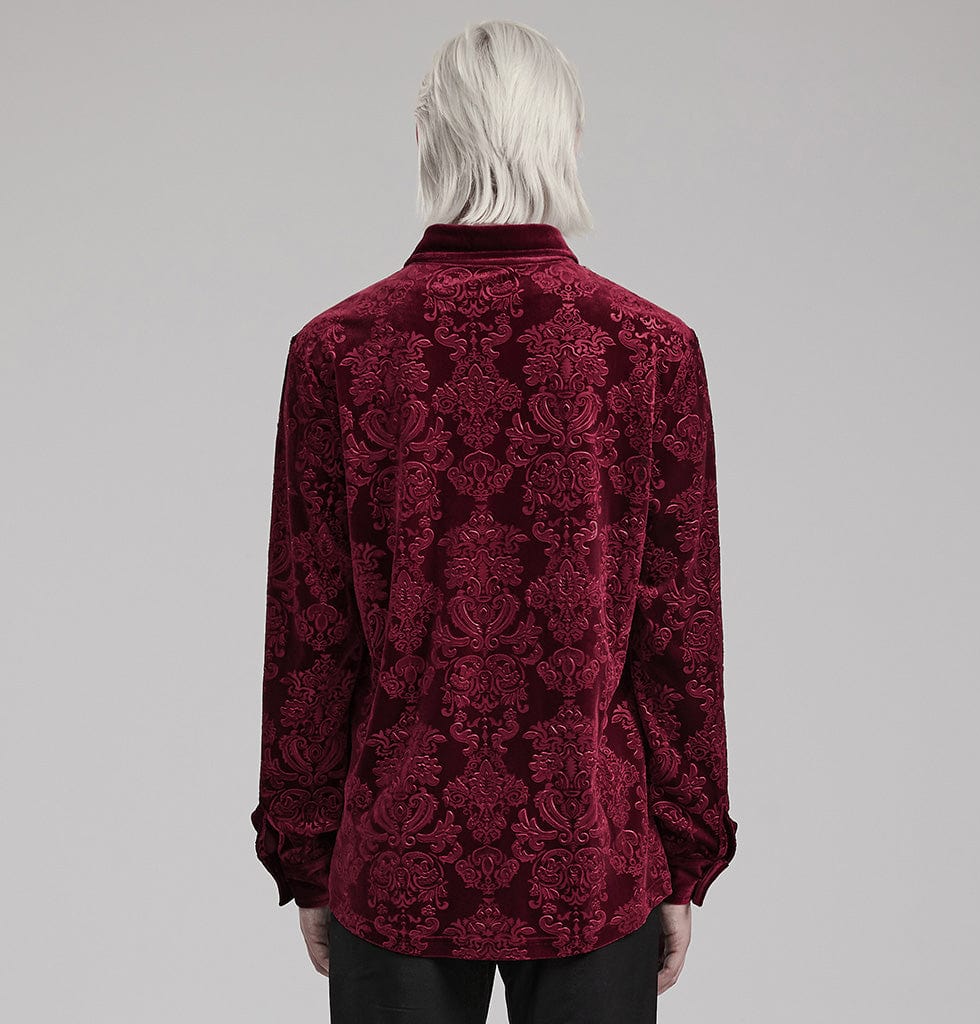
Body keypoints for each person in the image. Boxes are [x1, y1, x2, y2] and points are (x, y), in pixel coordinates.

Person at [250, 18, 737, 1023]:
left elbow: (311, 631)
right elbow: (677, 634)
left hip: (396, 846)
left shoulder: (337, 349)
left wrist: (306, 853)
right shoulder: (648, 347)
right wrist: (682, 856)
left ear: (430, 139)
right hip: (593, 845)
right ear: (563, 138)